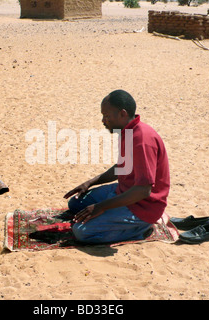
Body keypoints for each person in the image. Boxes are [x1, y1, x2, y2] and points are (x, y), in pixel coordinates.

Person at [63, 89, 170, 244]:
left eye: (106, 116)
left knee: (81, 232)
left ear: (122, 114)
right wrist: (90, 183)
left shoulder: (142, 140)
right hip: (124, 191)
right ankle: (114, 214)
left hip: (143, 207)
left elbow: (143, 190)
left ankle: (139, 229)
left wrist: (101, 207)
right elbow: (121, 167)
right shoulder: (127, 131)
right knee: (75, 203)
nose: (103, 121)